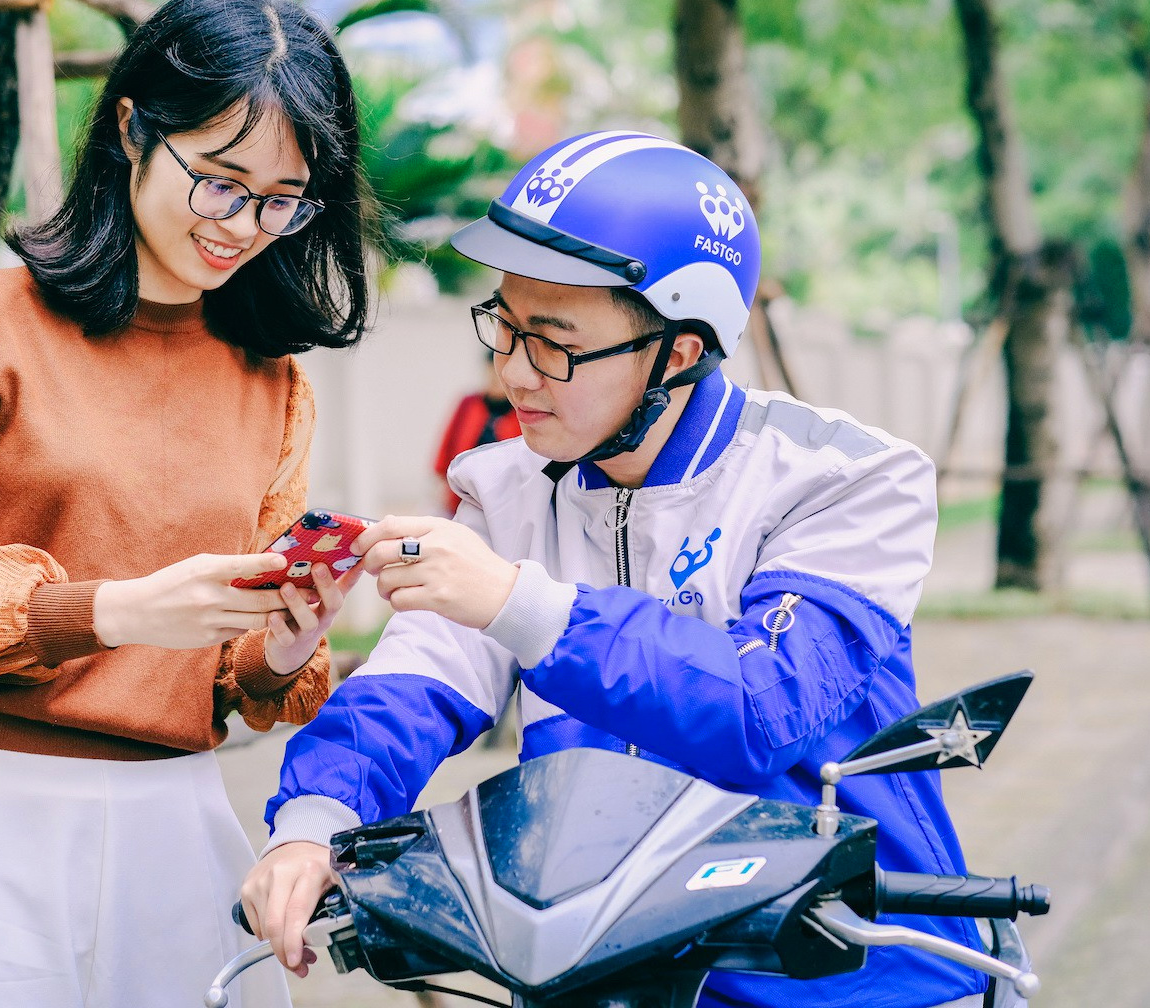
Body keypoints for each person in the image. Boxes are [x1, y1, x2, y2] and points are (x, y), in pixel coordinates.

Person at [243, 133, 995, 1008]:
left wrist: (518, 603)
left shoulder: (844, 479)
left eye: (553, 343)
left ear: (676, 351)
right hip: (598, 966)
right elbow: (414, 683)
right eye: (505, 327)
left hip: (851, 973)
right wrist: (313, 825)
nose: (512, 373)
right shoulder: (508, 487)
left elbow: (761, 710)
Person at [0, 0, 372, 1008]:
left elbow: (243, 682)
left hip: (176, 824)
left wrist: (287, 641)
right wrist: (116, 610)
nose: (245, 225)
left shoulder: (274, 383)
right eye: (219, 182)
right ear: (132, 129)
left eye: (281, 199)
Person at [431, 352, 520, 514]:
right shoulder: (469, 404)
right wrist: (443, 478)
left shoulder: (521, 411)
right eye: (490, 374)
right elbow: (448, 442)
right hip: (462, 495)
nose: (494, 380)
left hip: (504, 500)